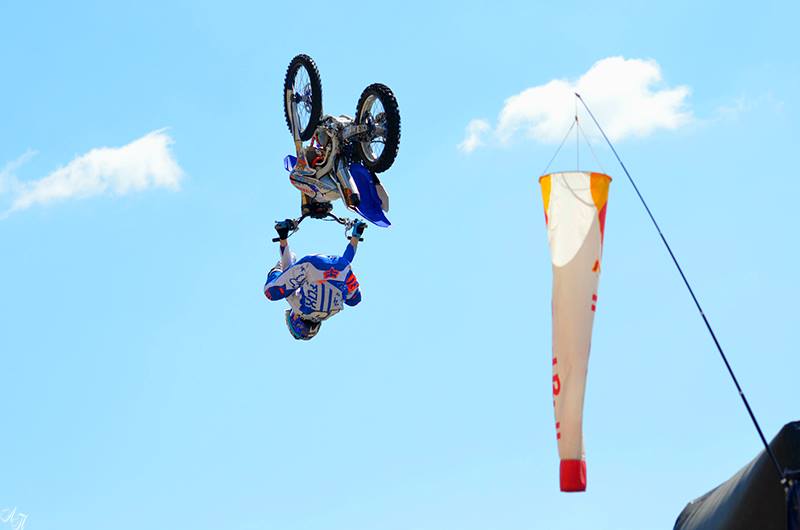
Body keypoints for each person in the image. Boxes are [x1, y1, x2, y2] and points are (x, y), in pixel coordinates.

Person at [264, 219, 367, 340]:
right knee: (272, 293)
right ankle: (280, 255)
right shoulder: (299, 309)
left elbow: (344, 274)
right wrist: (283, 240)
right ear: (296, 322)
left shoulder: (333, 312)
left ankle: (356, 234)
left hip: (340, 265)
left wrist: (354, 241)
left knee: (354, 300)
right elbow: (287, 275)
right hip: (312, 265)